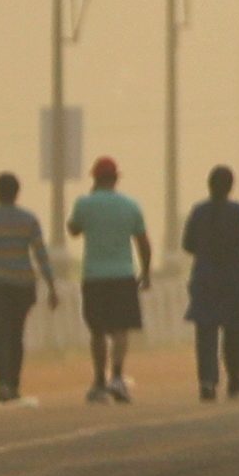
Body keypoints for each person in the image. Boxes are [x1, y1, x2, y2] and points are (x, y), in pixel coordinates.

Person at [68, 156, 151, 404]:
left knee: (97, 331)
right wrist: (145, 272)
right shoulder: (130, 205)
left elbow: (73, 230)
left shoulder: (85, 203)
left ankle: (99, 381)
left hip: (94, 276)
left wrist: (91, 199)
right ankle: (117, 376)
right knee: (120, 330)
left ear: (94, 178)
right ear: (116, 179)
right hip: (123, 274)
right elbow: (143, 243)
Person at [182, 166, 239, 401]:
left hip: (205, 276)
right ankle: (235, 377)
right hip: (234, 277)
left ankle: (207, 382)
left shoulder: (198, 212)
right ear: (231, 187)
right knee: (236, 330)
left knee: (206, 333)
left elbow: (187, 244)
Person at [0, 172, 57, 403]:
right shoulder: (28, 219)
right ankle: (13, 383)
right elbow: (40, 254)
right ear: (17, 193)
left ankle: (2, 383)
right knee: (15, 335)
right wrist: (51, 286)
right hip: (22, 285)